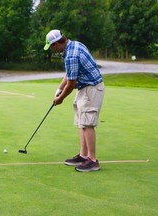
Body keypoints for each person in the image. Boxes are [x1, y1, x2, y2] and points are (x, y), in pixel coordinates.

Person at [44, 29, 105, 172]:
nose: (52, 50)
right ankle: (83, 156)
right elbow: (69, 73)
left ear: (57, 43)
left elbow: (71, 83)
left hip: (92, 88)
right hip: (84, 88)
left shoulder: (71, 55)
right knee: (81, 122)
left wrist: (60, 98)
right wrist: (59, 89)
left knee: (87, 123)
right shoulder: (74, 45)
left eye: (52, 47)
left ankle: (92, 160)